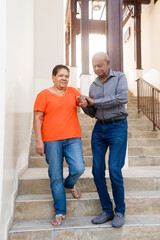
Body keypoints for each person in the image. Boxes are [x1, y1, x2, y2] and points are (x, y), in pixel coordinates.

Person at [78, 52, 128, 228]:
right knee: (97, 171)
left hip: (118, 127)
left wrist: (95, 101)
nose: (97, 69)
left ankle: (120, 211)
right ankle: (107, 210)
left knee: (114, 169)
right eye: (94, 66)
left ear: (108, 63)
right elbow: (93, 112)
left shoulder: (120, 77)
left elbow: (122, 98)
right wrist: (85, 106)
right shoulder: (93, 86)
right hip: (99, 129)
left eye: (100, 65)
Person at [33, 65, 86, 226]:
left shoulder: (72, 92)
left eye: (67, 76)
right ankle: (60, 212)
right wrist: (39, 140)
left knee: (79, 168)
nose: (64, 78)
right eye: (60, 75)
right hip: (51, 140)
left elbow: (82, 103)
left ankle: (69, 183)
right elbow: (37, 118)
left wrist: (85, 102)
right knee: (55, 176)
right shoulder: (43, 95)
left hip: (72, 138)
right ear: (53, 77)